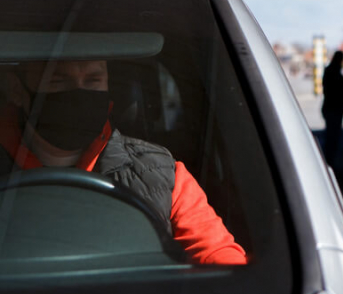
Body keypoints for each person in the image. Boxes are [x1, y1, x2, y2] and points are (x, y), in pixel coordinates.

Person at [0, 59, 247, 265]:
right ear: (16, 89)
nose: (78, 93)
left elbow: (217, 253)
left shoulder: (163, 172)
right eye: (58, 81)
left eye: (93, 81)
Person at [321, 50, 343, 164]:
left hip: (329, 108)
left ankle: (329, 160)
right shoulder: (338, 76)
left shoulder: (328, 72)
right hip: (335, 109)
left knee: (330, 135)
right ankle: (330, 161)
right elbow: (340, 94)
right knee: (334, 136)